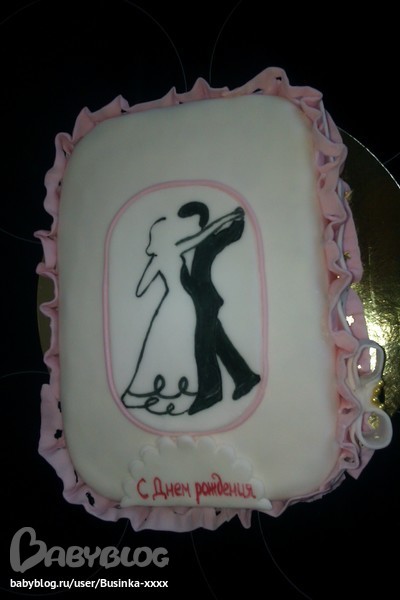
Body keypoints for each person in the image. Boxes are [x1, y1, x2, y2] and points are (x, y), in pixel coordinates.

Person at [177, 201, 260, 415]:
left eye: (189, 221)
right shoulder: (184, 245)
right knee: (218, 341)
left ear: (200, 222)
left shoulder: (207, 241)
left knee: (202, 344)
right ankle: (245, 377)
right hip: (200, 301)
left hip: (208, 301)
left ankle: (210, 392)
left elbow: (230, 236)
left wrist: (238, 221)